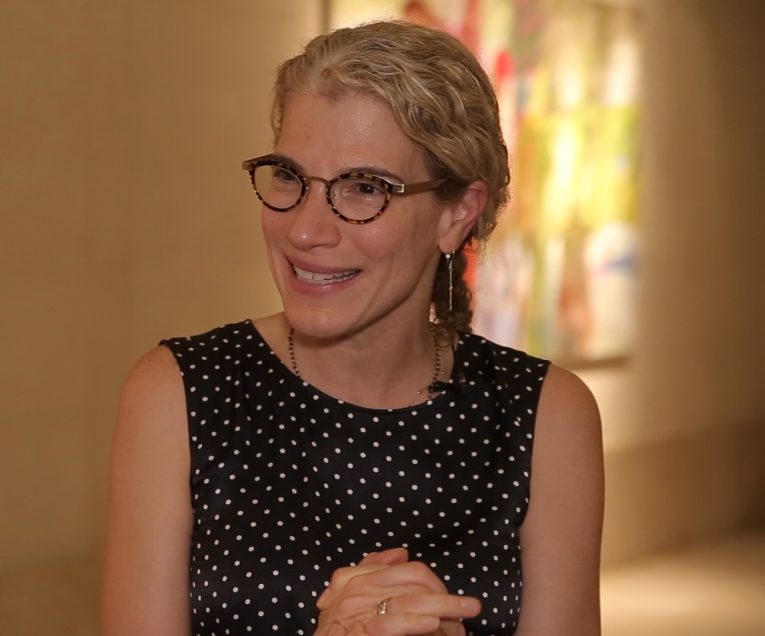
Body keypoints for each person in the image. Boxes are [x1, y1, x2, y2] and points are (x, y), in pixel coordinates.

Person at [102, 20, 603, 636]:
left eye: (365, 188)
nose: (306, 229)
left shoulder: (545, 414)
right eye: (290, 177)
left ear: (457, 214)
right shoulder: (180, 394)